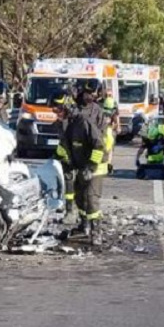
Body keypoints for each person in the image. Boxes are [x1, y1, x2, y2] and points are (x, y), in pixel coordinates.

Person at [60, 82, 107, 246]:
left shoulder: (88, 118)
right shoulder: (69, 122)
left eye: (93, 93)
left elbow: (100, 144)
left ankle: (96, 231)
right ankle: (84, 225)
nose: (91, 96)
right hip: (80, 164)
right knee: (80, 197)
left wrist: (91, 167)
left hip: (95, 163)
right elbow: (64, 146)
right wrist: (66, 164)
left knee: (90, 198)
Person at [52, 91, 78, 225]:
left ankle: (76, 212)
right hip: (66, 159)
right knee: (68, 185)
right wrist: (59, 154)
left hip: (78, 159)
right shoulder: (60, 122)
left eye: (59, 108)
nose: (56, 111)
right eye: (54, 108)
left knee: (79, 186)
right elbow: (62, 142)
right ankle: (69, 210)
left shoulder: (75, 121)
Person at [101, 92, 119, 174]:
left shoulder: (100, 109)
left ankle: (105, 164)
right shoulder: (113, 109)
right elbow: (116, 119)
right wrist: (117, 126)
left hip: (102, 131)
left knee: (103, 148)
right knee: (110, 149)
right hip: (109, 131)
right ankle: (108, 164)